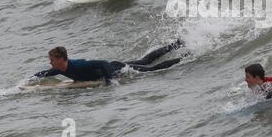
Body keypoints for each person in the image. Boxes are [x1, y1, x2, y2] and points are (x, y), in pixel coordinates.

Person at [33, 40, 185, 85]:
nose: (50, 62)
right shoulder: (60, 69)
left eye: (52, 60)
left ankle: (185, 57)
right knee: (143, 60)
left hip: (117, 69)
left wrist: (109, 81)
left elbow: (103, 63)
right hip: (114, 66)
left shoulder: (78, 65)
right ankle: (176, 44)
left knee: (152, 69)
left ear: (60, 59)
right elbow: (46, 73)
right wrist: (32, 79)